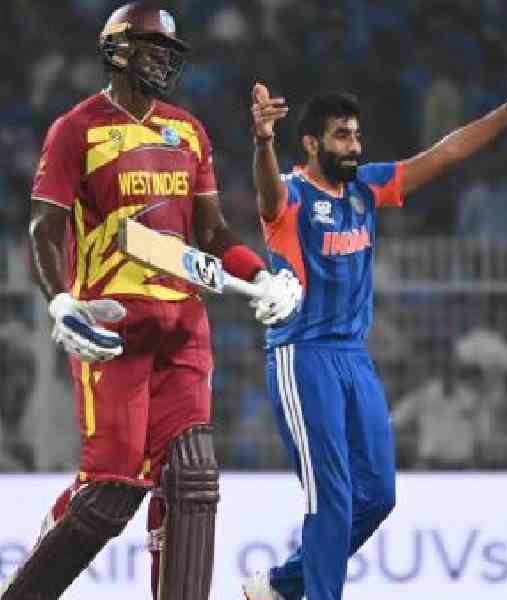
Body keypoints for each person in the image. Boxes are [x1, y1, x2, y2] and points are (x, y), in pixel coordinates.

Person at [1, 3, 301, 600]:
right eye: (150, 48)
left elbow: (210, 234)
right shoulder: (76, 129)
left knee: (193, 480)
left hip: (185, 324)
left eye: (168, 51)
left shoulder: (188, 130)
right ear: (116, 50)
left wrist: (264, 277)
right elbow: (43, 228)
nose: (163, 60)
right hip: (113, 328)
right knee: (112, 492)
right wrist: (60, 302)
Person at [242, 51, 507, 600]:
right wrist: (263, 142)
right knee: (333, 497)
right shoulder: (293, 196)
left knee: (378, 495)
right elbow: (268, 195)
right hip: (303, 354)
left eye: (356, 136)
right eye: (341, 137)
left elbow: (447, 152)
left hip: (353, 357)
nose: (354, 146)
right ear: (313, 145)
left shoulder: (367, 187)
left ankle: (279, 584)